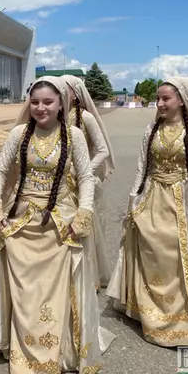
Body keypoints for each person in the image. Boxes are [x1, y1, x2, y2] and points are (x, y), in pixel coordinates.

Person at [0, 76, 115, 374]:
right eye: (35, 102)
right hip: (23, 220)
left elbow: (86, 177)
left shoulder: (74, 135)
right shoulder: (18, 134)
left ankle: (57, 350)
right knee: (25, 292)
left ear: (61, 103)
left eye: (48, 102)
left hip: (60, 221)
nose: (40, 108)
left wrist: (84, 213)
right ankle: (19, 343)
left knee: (54, 292)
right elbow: (0, 171)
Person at [106, 77, 188, 359]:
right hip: (153, 197)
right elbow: (142, 168)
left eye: (165, 98)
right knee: (152, 254)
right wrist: (133, 201)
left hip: (183, 201)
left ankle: (180, 317)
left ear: (181, 100)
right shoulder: (151, 130)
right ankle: (150, 312)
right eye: (158, 98)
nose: (160, 103)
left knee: (179, 256)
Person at [61, 74, 115, 290]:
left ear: (75, 94)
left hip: (83, 181)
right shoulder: (54, 114)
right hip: (59, 183)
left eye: (64, 89)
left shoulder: (86, 118)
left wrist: (85, 171)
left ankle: (89, 277)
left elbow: (103, 150)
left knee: (86, 230)